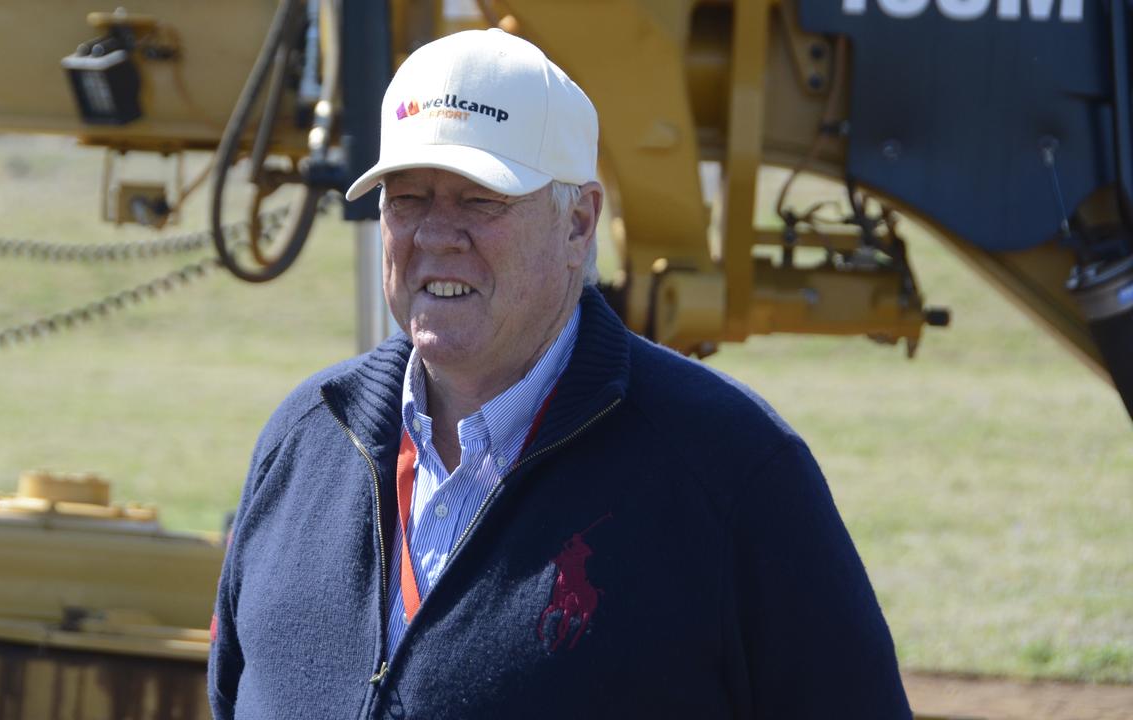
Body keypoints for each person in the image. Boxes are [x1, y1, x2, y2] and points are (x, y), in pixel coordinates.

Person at [209, 28, 912, 719]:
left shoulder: (730, 470)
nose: (434, 235)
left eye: (480, 199)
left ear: (579, 222)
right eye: (407, 198)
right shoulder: (302, 444)